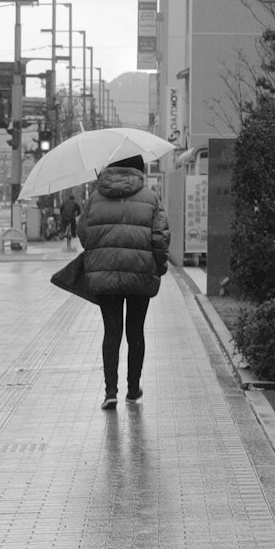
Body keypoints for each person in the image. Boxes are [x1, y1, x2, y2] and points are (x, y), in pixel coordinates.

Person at [77, 155, 169, 411]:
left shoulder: (95, 197)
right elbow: (160, 237)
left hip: (105, 274)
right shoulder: (150, 198)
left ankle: (110, 391)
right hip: (141, 272)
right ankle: (132, 389)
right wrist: (158, 266)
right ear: (139, 169)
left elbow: (84, 234)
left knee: (112, 331)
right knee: (135, 331)